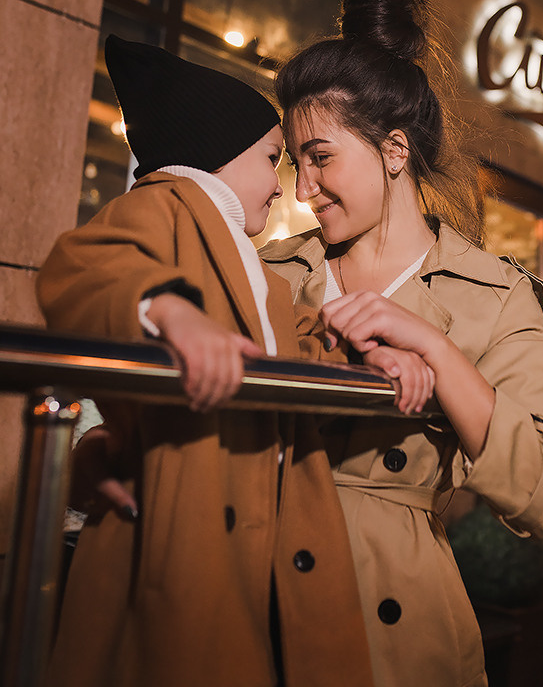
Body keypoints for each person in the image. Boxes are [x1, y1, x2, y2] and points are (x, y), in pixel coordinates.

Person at [259, 0, 543, 687]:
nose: (302, 189)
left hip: (396, 626)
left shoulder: (495, 296)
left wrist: (437, 353)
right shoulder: (270, 271)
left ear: (392, 151)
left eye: (320, 159)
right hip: (250, 593)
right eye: (295, 163)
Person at [36, 36, 374, 687]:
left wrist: (368, 353)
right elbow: (83, 268)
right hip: (176, 519)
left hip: (255, 528)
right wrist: (169, 312)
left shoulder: (253, 269)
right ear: (216, 154)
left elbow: (297, 342)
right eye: (272, 160)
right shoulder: (160, 206)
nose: (283, 190)